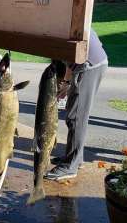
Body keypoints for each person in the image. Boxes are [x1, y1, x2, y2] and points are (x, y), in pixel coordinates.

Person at [45, 28, 108, 180]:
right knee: (74, 113)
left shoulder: (60, 27)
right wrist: (66, 83)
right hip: (94, 62)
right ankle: (74, 158)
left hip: (89, 66)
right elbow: (68, 60)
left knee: (76, 117)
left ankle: (70, 166)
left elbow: (68, 57)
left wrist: (67, 82)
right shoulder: (69, 22)